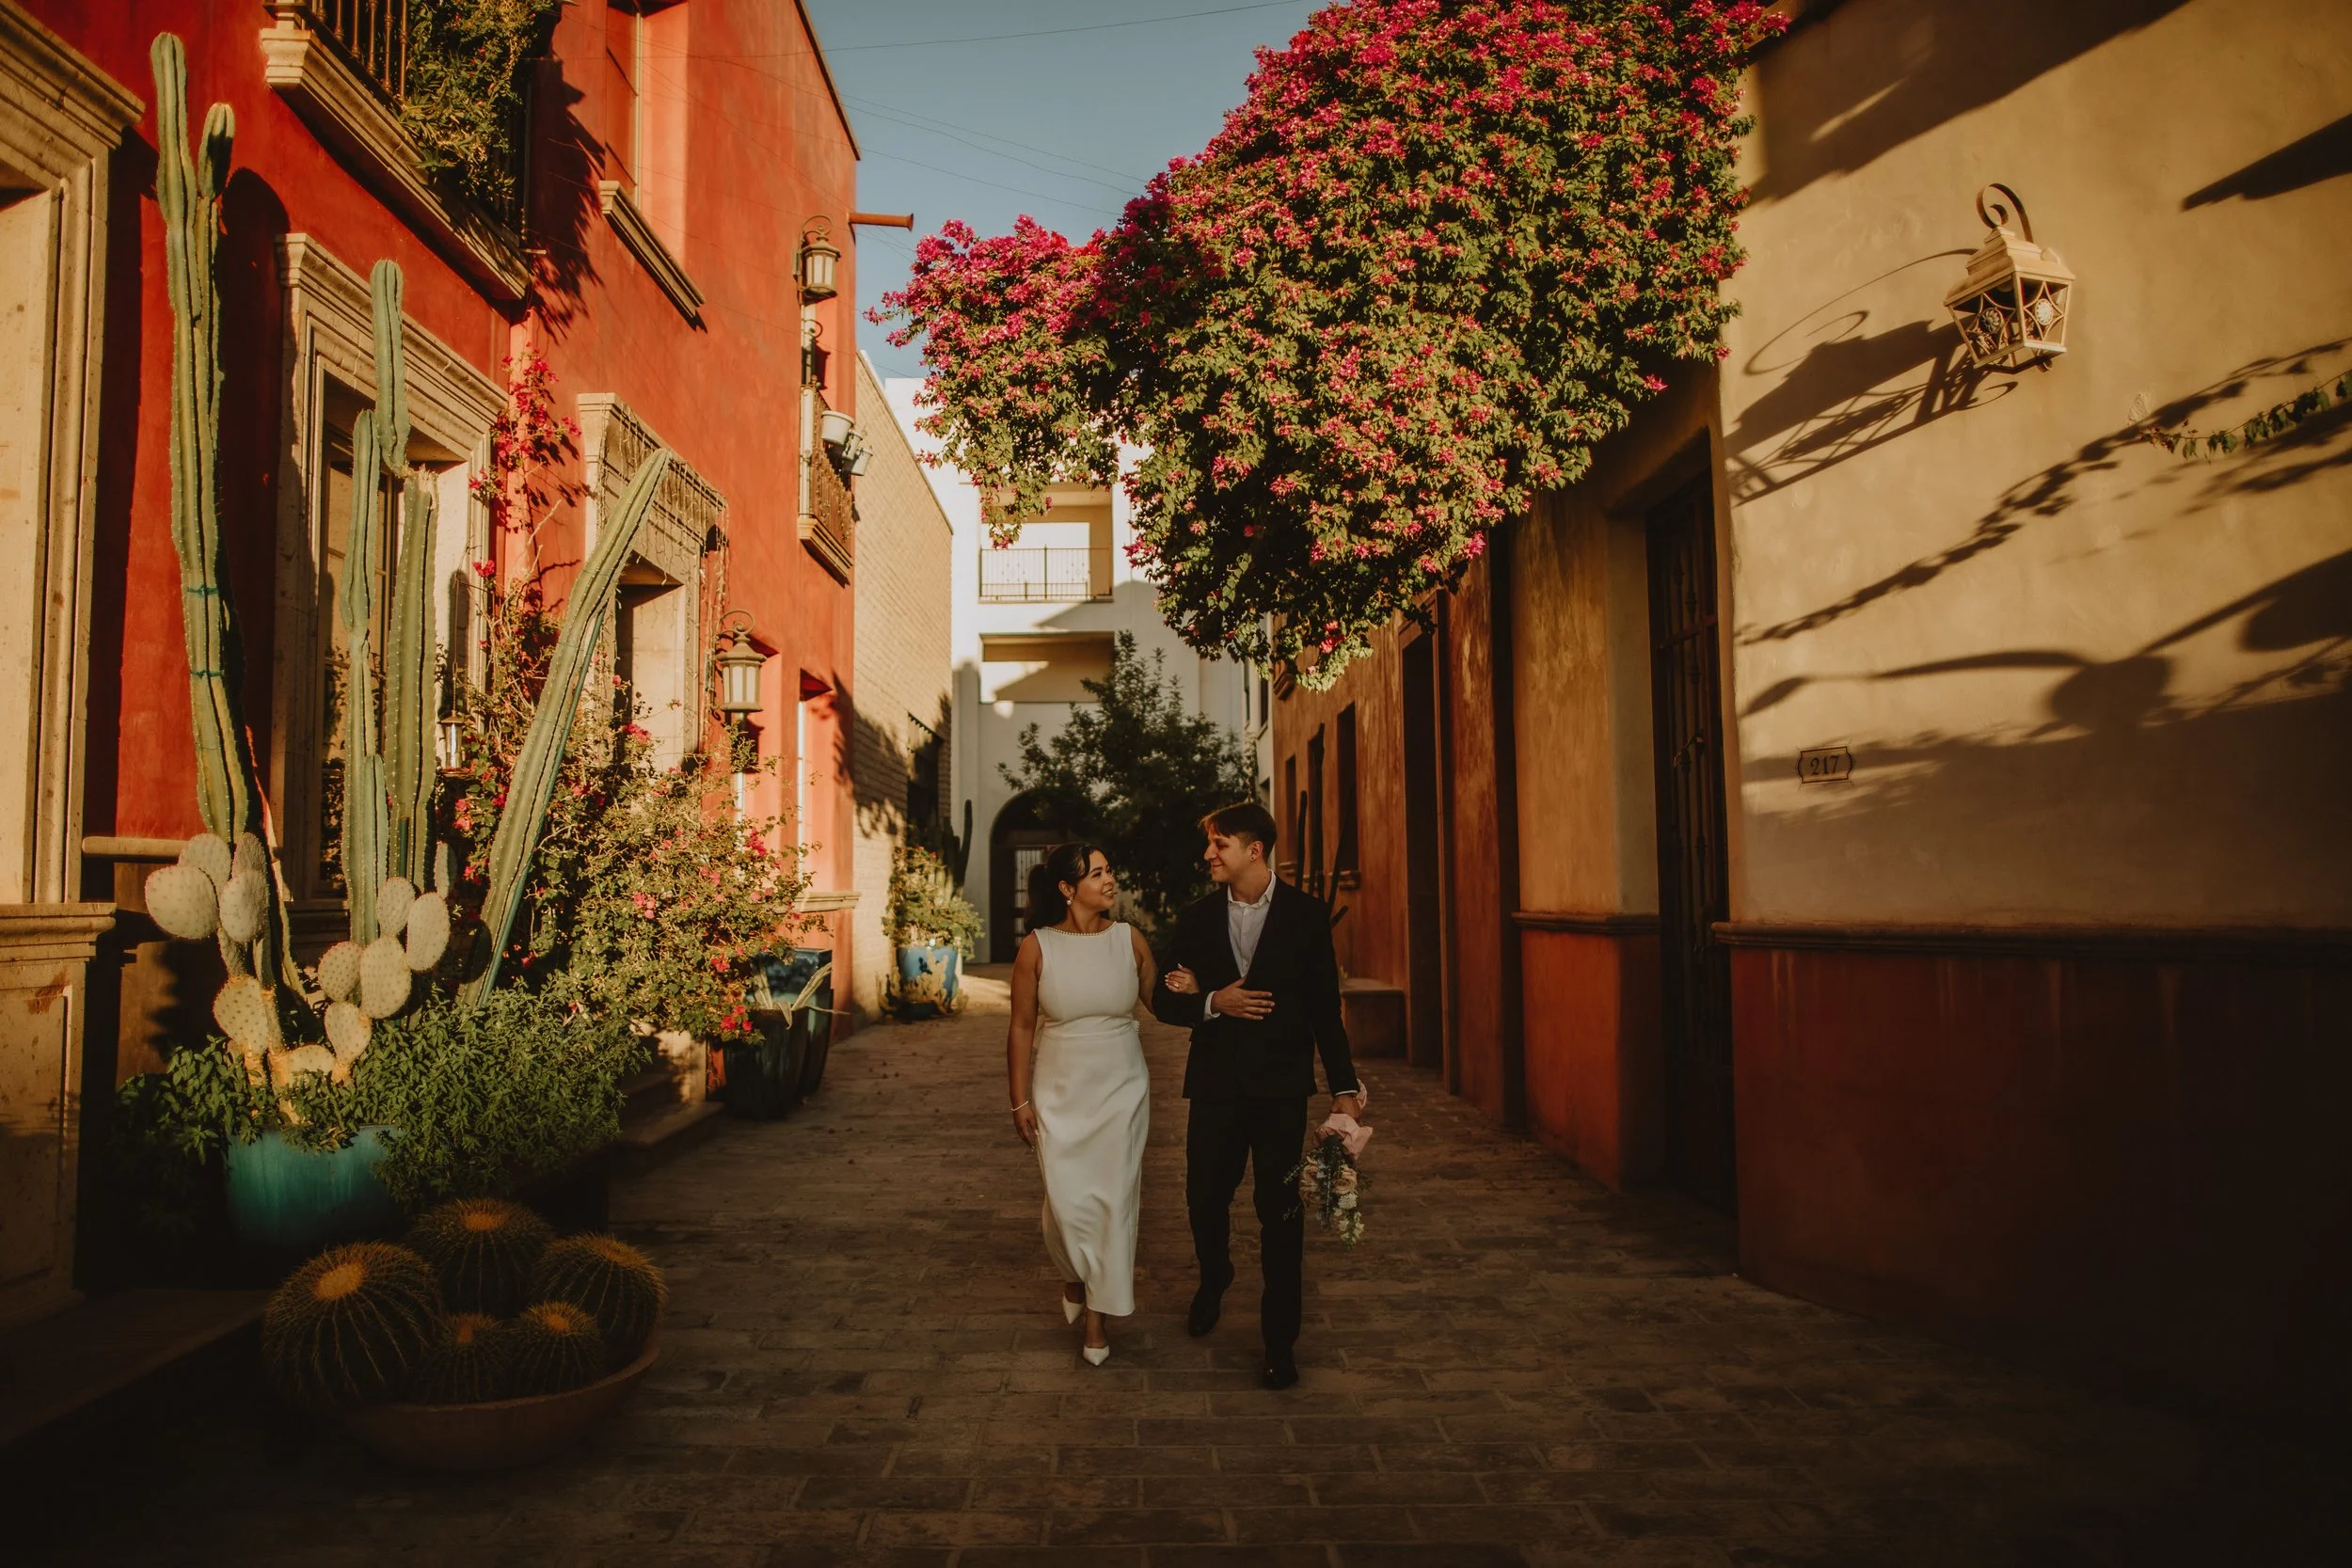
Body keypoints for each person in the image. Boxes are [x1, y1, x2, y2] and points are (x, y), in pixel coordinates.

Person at [1152, 800, 1362, 1390]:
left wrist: (1344, 1089)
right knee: (1203, 1199)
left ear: (1254, 850)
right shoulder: (1195, 918)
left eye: (1219, 845)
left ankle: (1279, 1343)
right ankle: (1214, 1276)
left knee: (1281, 1215)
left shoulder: (1305, 916)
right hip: (1215, 1088)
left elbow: (1325, 1010)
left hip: (1279, 1092)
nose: (1208, 855)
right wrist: (1214, 1001)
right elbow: (1164, 1000)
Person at [1006, 844, 1158, 1365]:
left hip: (1122, 1084)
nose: (1110, 880)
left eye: (1110, 869)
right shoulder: (1038, 948)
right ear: (1068, 889)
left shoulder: (1129, 940)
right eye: (1098, 874)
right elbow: (1022, 1026)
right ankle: (1074, 1273)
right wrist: (1019, 1100)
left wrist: (1197, 990)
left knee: (1115, 1202)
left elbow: (1160, 1001)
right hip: (1060, 1088)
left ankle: (1098, 1316)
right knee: (1066, 1204)